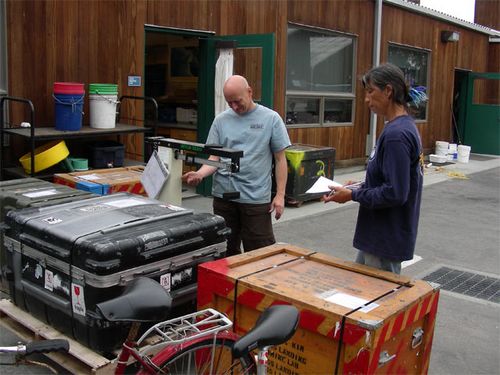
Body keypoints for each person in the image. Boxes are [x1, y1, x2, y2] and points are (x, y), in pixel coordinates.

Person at [323, 63, 425, 274]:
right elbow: (391, 179)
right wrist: (359, 185)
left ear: (388, 91)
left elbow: (395, 193)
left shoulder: (397, 135)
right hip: (380, 236)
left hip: (385, 238)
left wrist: (352, 195)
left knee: (375, 302)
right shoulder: (400, 127)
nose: (366, 99)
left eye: (371, 92)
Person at [182, 75, 291, 257]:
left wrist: (280, 195)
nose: (234, 107)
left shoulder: (271, 119)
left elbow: (280, 159)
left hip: (255, 199)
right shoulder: (221, 121)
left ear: (249, 92)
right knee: (225, 250)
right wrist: (200, 174)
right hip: (224, 198)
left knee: (259, 253)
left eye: (237, 101)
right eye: (229, 102)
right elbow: (214, 158)